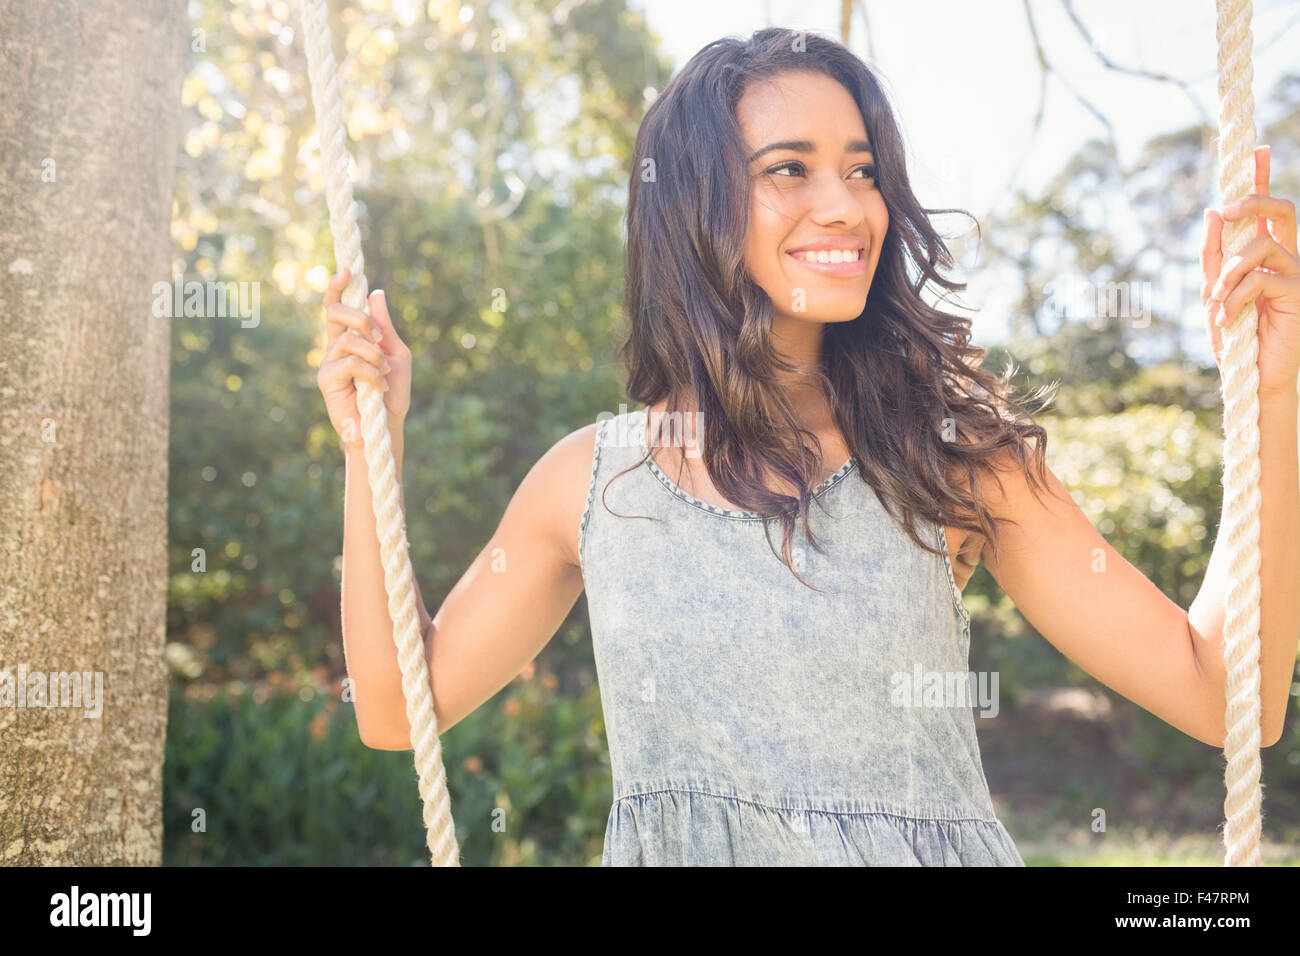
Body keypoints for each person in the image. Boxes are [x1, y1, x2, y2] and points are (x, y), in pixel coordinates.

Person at [313, 28, 1300, 865]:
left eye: (861, 170)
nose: (846, 205)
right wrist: (372, 449)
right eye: (789, 169)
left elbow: (1225, 696)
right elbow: (396, 711)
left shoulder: (948, 453)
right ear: (692, 202)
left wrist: (1272, 398)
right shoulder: (589, 482)